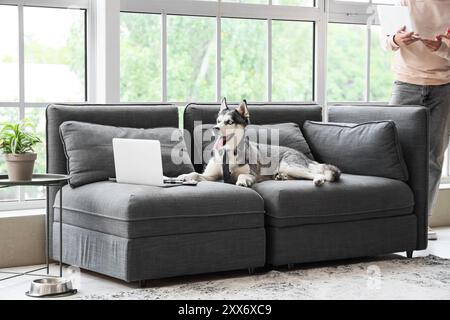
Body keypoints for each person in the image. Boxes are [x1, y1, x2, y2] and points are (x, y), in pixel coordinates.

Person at [382, 0, 450, 240]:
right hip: (405, 84)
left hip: (443, 88)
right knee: (391, 152)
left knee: (433, 157)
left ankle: (423, 219)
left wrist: (440, 47)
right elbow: (386, 40)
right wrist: (395, 40)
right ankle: (393, 215)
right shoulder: (404, 2)